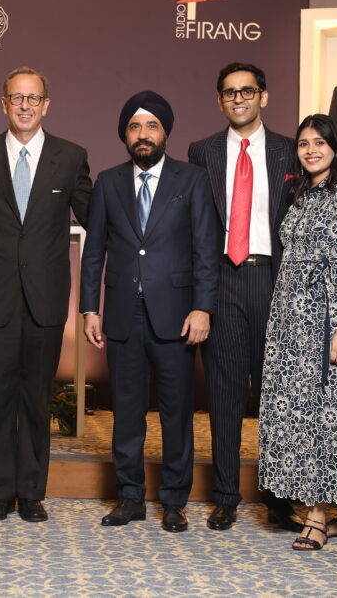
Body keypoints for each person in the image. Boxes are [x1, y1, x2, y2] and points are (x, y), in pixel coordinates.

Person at [80, 91, 218, 533]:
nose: (143, 134)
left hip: (176, 316)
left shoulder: (192, 180)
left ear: (165, 133)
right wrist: (89, 309)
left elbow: (206, 250)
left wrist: (202, 307)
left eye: (152, 126)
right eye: (135, 126)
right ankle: (130, 497)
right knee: (126, 412)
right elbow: (93, 253)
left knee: (177, 413)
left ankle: (174, 500)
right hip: (123, 315)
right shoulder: (107, 182)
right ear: (125, 135)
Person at [0, 66, 92, 522]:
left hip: (45, 296)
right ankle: (0, 491)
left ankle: (32, 491)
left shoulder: (70, 156)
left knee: (37, 398)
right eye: (16, 97)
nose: (24, 106)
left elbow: (93, 215)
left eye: (33, 98)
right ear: (4, 103)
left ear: (46, 105)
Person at [257, 114, 337, 551]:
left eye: (319, 142)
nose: (311, 150)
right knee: (303, 415)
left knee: (331, 418)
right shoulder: (302, 194)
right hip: (293, 324)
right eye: (303, 143)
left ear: (335, 147)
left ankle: (315, 517)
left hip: (332, 321)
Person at [187, 62, 302, 532]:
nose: (239, 99)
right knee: (225, 394)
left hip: (274, 279)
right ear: (220, 100)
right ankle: (226, 497)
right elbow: (196, 225)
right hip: (222, 279)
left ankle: (278, 500)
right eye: (230, 92)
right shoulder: (202, 152)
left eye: (247, 91)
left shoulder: (291, 151)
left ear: (263, 96)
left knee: (276, 397)